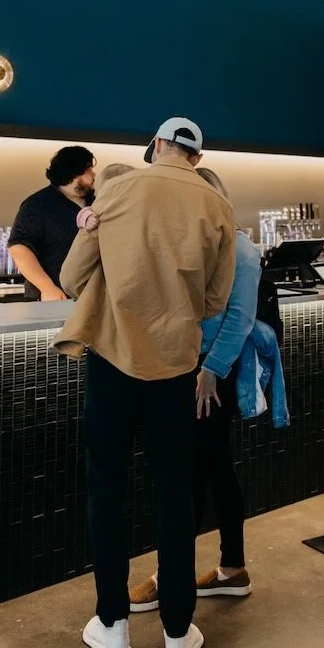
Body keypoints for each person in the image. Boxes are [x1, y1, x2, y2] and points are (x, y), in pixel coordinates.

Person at [55, 118, 235, 648]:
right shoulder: (216, 205)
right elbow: (212, 301)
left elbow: (70, 276)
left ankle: (112, 628)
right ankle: (179, 637)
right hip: (175, 367)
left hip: (112, 362)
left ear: (155, 146)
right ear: (197, 157)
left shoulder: (119, 189)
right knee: (175, 495)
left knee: (106, 491)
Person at [129, 166, 288, 615]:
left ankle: (170, 575)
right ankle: (232, 569)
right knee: (214, 466)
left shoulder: (238, 247)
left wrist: (210, 371)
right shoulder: (213, 243)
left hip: (207, 373)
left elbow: (237, 318)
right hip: (198, 368)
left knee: (187, 473)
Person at [8, 146, 96, 301]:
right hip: (52, 298)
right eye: (89, 169)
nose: (94, 175)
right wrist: (47, 288)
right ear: (75, 173)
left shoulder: (97, 202)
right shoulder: (38, 205)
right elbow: (19, 248)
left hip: (90, 299)